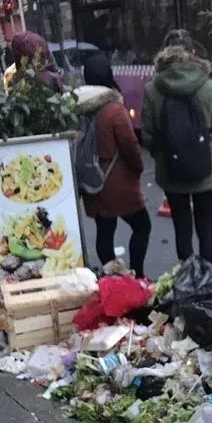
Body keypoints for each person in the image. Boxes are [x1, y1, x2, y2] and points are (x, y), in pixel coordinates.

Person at [142, 29, 212, 264]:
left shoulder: (153, 88)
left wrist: (163, 155)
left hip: (171, 173)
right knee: (206, 229)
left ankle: (188, 280)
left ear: (164, 53)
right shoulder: (207, 85)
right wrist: (211, 153)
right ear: (192, 52)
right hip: (205, 171)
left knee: (182, 230)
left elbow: (148, 135)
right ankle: (208, 280)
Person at [77, 52, 152, 277]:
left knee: (105, 229)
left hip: (92, 180)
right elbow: (130, 146)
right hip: (117, 182)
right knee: (142, 226)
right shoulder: (114, 110)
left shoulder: (80, 108)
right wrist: (138, 169)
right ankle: (136, 274)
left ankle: (113, 276)